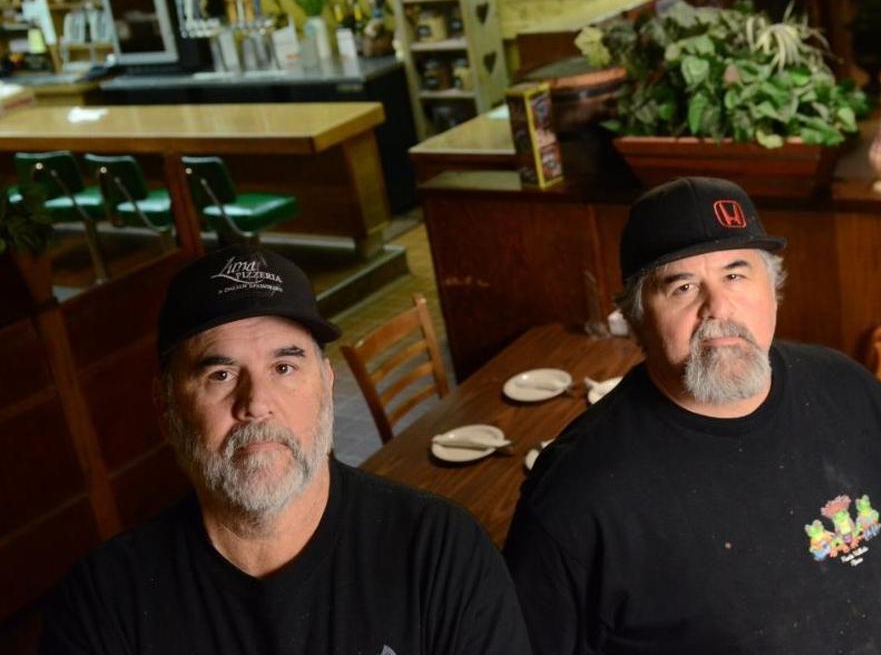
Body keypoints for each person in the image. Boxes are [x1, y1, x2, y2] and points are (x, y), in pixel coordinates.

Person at [503, 177, 881, 655]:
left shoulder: (848, 388)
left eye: (735, 274)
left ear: (773, 289)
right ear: (636, 320)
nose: (717, 306)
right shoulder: (575, 494)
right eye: (683, 286)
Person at [41, 245, 531, 655]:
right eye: (220, 374)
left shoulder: (439, 552)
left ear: (327, 382)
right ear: (167, 408)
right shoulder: (104, 604)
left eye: (284, 368)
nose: (256, 405)